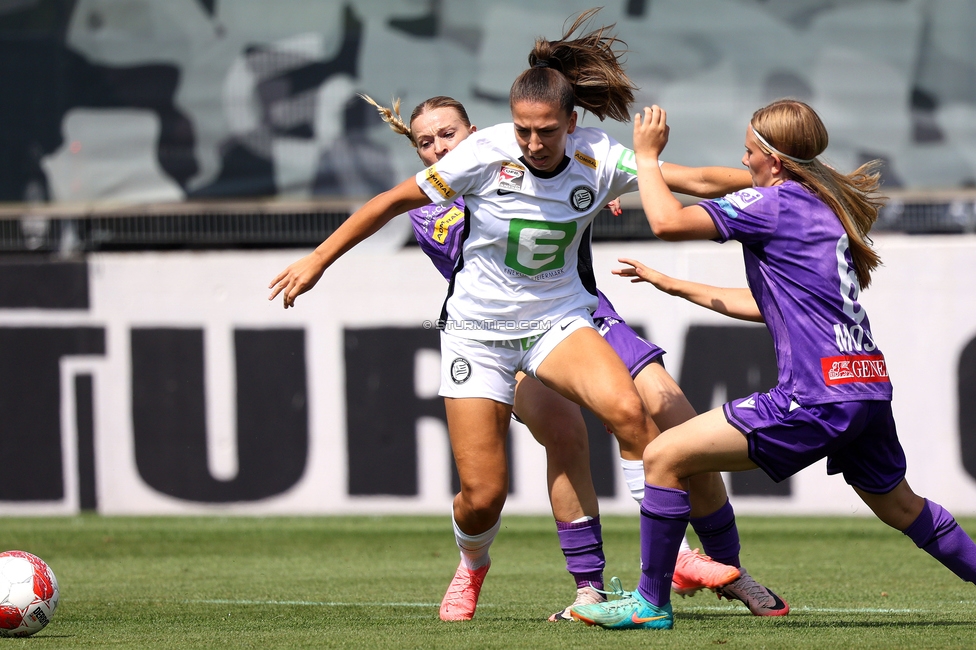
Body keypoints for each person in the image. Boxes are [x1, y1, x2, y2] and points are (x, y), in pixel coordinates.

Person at [270, 9, 772, 623]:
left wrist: (781, 182)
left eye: (546, 132)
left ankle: (663, 570)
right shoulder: (479, 157)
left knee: (632, 412)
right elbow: (391, 200)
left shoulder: (595, 157)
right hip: (479, 337)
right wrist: (319, 259)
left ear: (571, 122)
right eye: (524, 131)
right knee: (483, 497)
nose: (534, 144)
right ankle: (473, 561)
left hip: (557, 320)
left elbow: (687, 178)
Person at [360, 92, 784, 621]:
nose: (439, 147)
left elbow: (667, 175)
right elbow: (502, 225)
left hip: (580, 313)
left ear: (475, 130)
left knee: (671, 411)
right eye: (426, 142)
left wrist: (598, 179)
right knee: (561, 437)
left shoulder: (541, 155)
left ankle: (722, 566)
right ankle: (584, 586)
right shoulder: (432, 211)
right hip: (499, 334)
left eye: (449, 134)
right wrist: (572, 187)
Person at [570, 99, 976, 631]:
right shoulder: (820, 204)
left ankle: (649, 604)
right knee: (902, 508)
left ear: (774, 160)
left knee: (664, 455)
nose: (743, 158)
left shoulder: (773, 204)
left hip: (817, 395)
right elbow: (768, 303)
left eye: (748, 150)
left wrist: (646, 158)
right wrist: (674, 284)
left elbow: (667, 222)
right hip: (866, 387)